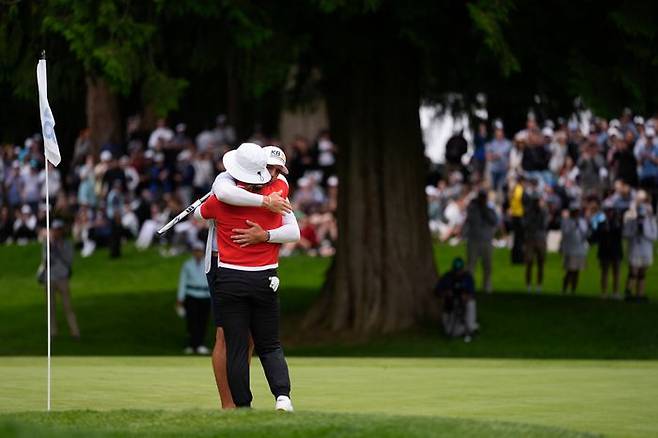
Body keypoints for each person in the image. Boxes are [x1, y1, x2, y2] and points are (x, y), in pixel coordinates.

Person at [196, 143, 299, 411]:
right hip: (222, 263)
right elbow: (222, 191)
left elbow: (203, 210)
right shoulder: (226, 184)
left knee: (248, 340)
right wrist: (264, 202)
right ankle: (231, 405)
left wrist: (264, 234)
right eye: (271, 168)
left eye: (279, 170)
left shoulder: (277, 187)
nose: (275, 174)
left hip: (240, 271)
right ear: (258, 167)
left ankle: (242, 405)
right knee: (228, 338)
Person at [38, 220, 80, 338]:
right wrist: (50, 248)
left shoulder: (67, 244)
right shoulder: (47, 243)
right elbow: (45, 260)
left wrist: (58, 249)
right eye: (54, 230)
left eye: (58, 230)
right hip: (50, 278)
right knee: (50, 307)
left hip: (62, 278)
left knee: (68, 306)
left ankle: (75, 331)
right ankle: (52, 332)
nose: (56, 232)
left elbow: (69, 260)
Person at [177, 242, 212, 355]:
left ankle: (200, 344)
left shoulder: (208, 263)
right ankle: (192, 345)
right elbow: (182, 281)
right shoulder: (187, 265)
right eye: (196, 250)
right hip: (191, 295)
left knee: (203, 321)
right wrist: (180, 298)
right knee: (192, 321)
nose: (198, 253)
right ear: (193, 252)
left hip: (205, 295)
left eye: (200, 251)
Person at [623, 191, 657, 301]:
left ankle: (640, 294)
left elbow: (654, 236)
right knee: (633, 271)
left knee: (642, 273)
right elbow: (626, 234)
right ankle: (629, 292)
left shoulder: (651, 221)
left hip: (646, 249)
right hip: (635, 249)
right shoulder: (632, 221)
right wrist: (635, 231)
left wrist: (644, 232)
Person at [435, 257, 478, 343]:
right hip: (450, 308)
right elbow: (437, 292)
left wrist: (465, 297)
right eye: (456, 270)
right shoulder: (447, 277)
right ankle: (465, 329)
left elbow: (472, 293)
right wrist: (447, 294)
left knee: (471, 303)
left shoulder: (467, 278)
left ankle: (470, 327)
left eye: (460, 270)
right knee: (450, 331)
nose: (458, 272)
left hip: (464, 306)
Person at [463, 190, 497, 293]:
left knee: (488, 266)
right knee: (471, 265)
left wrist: (484, 210)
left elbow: (494, 221)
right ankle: (469, 287)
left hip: (486, 241)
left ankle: (487, 286)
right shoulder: (472, 209)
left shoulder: (490, 210)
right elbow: (470, 220)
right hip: (474, 240)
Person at [590, 200, 624, 299]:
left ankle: (615, 292)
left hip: (616, 251)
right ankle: (604, 292)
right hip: (604, 251)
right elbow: (594, 237)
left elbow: (621, 234)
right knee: (604, 272)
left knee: (616, 272)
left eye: (611, 211)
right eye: (607, 211)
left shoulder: (617, 223)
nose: (609, 213)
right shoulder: (601, 224)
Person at [522, 178, 548, 293]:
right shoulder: (528, 212)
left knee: (541, 262)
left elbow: (545, 224)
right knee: (529, 262)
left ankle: (539, 286)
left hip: (540, 237)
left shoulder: (543, 212)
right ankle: (528, 285)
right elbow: (525, 224)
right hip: (531, 238)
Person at [560, 204, 589, 294]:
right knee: (570, 270)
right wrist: (574, 225)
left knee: (577, 271)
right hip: (570, 249)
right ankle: (564, 289)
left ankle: (573, 290)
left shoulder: (582, 221)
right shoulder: (566, 221)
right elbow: (565, 233)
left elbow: (585, 234)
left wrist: (578, 226)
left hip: (580, 249)